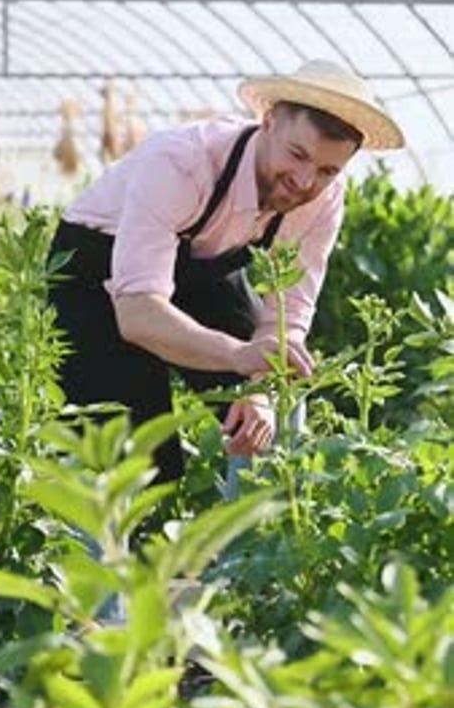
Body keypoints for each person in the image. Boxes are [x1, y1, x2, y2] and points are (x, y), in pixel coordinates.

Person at [48, 59, 404, 482]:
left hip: (203, 268)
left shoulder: (322, 198)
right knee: (128, 458)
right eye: (297, 154)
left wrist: (259, 384)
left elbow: (288, 314)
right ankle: (106, 547)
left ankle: (253, 547)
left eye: (328, 170)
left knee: (276, 417)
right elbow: (139, 314)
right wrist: (239, 356)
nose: (305, 181)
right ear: (268, 121)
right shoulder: (182, 164)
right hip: (98, 275)